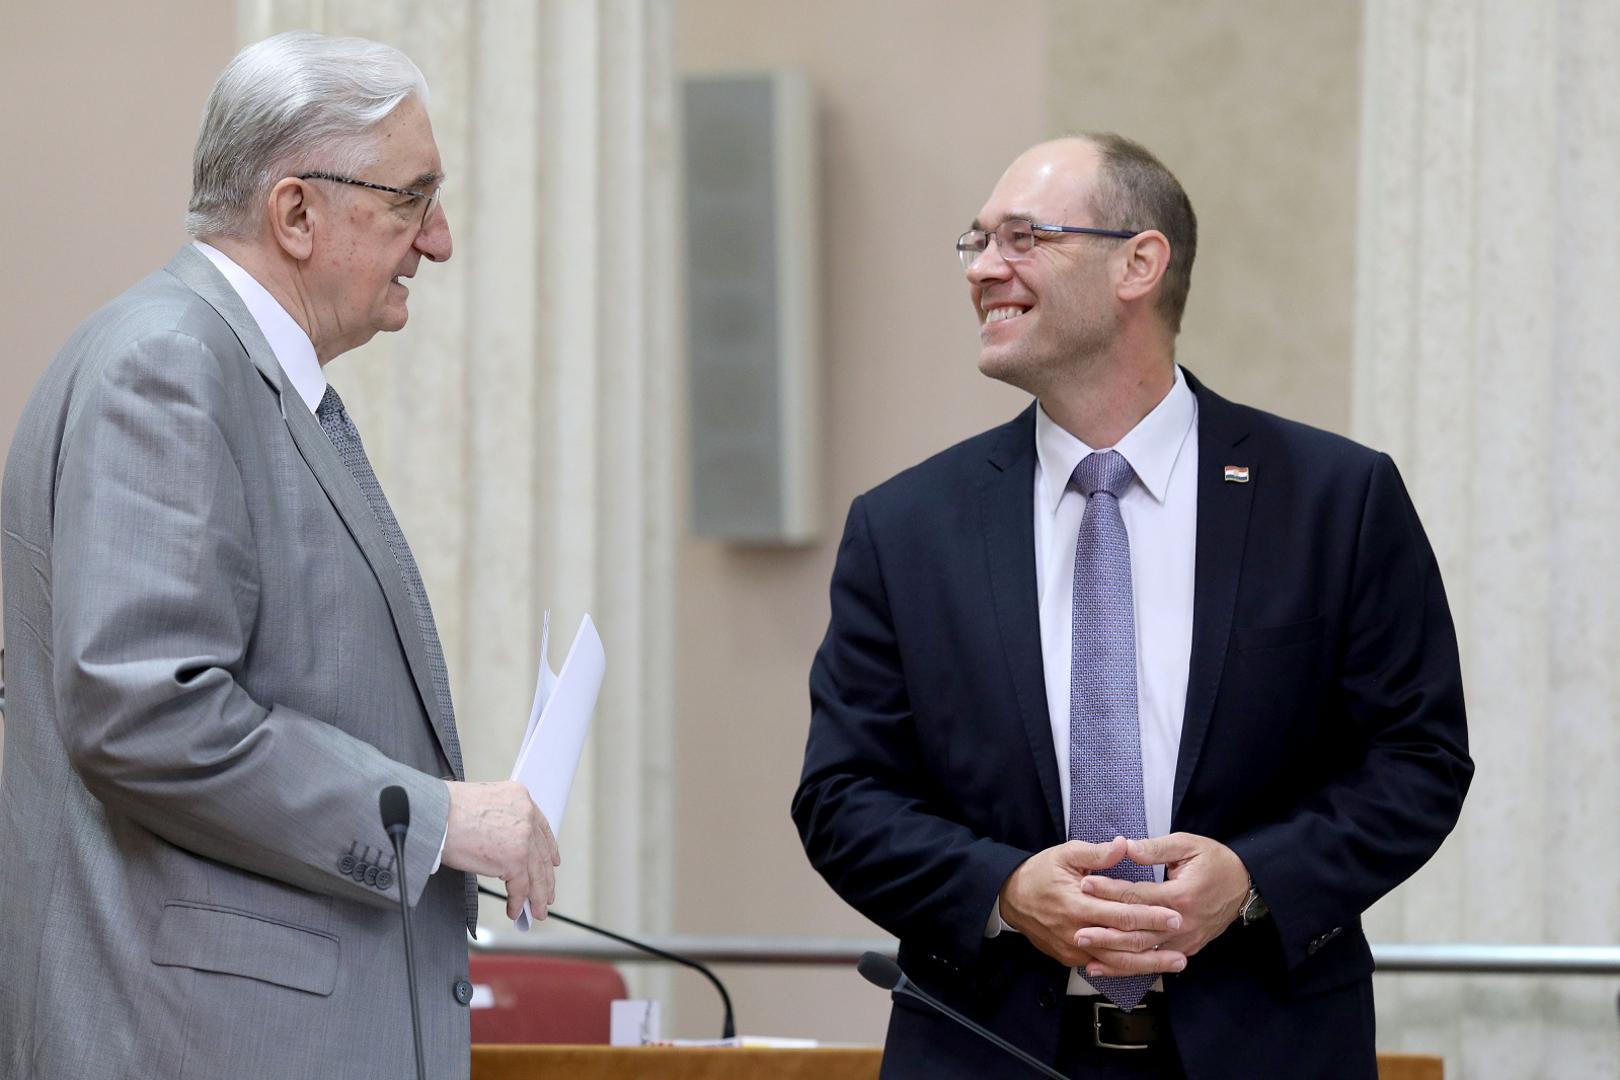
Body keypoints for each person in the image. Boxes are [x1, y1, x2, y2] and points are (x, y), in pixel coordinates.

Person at [792, 134, 1472, 1078]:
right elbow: (843, 796)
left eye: (1023, 237)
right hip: (987, 1048)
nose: (985, 268)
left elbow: (1418, 759)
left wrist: (1252, 882)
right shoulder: (905, 527)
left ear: (1139, 264)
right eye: (976, 242)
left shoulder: (1332, 500)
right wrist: (1005, 889)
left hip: (1265, 1049)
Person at [0, 32, 557, 1080]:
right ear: (295, 213)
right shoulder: (168, 364)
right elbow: (145, 711)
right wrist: (439, 819)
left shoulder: (237, 371)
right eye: (410, 199)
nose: (437, 240)